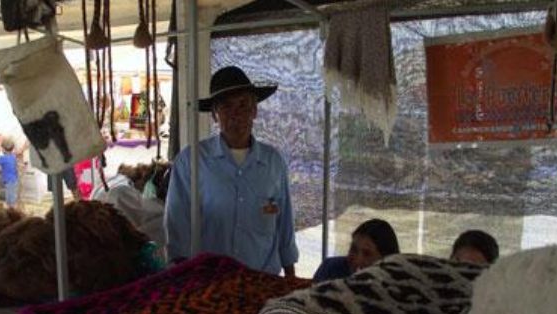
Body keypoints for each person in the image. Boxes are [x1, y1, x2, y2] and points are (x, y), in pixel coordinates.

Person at [165, 66, 298, 277]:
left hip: (263, 281)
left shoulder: (273, 162)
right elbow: (177, 226)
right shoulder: (191, 161)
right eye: (226, 106)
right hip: (210, 283)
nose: (236, 114)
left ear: (254, 110)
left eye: (243, 105)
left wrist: (291, 280)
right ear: (215, 116)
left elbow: (284, 226)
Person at [313, 219, 400, 282]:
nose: (357, 260)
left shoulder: (397, 285)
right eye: (353, 249)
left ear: (386, 259)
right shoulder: (330, 268)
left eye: (367, 254)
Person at [0, 138, 18, 208]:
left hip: (9, 181)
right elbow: (13, 167)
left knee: (10, 199)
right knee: (12, 196)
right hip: (14, 180)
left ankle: (12, 211)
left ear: (3, 149)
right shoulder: (13, 156)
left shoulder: (3, 158)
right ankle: (12, 209)